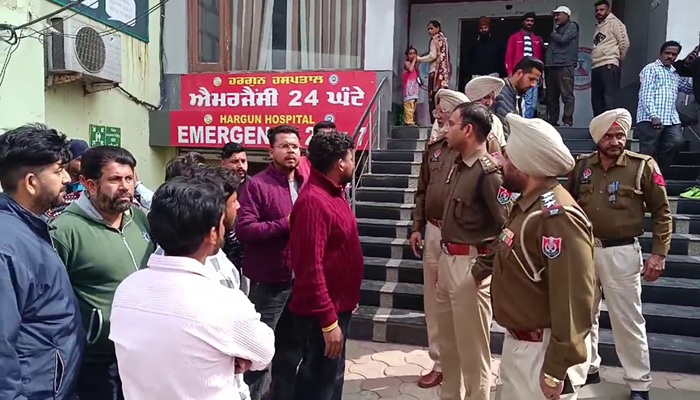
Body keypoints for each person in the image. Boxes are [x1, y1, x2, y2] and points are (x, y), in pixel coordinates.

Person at [110, 177, 275, 400]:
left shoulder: (127, 288)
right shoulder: (224, 302)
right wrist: (230, 356)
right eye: (222, 222)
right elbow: (263, 352)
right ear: (213, 233)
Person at [472, 114, 595, 400]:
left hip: (542, 352)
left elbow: (573, 297)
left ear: (524, 164)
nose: (501, 164)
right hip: (522, 345)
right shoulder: (529, 206)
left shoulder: (557, 217)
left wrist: (556, 368)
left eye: (507, 158)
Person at [569, 109, 671, 400]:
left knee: (628, 320)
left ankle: (639, 383)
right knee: (582, 315)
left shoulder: (642, 166)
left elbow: (662, 212)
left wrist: (659, 254)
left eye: (620, 135)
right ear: (597, 138)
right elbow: (569, 203)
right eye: (609, 136)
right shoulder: (582, 166)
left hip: (622, 252)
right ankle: (587, 369)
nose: (615, 141)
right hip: (585, 251)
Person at [51, 146, 155, 400]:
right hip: (96, 361)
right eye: (115, 179)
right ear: (90, 184)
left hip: (142, 354)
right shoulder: (64, 231)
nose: (125, 187)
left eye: (129, 178)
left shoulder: (138, 219)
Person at [0, 124, 84, 399]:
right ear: (31, 182)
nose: (67, 179)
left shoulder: (31, 227)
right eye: (58, 171)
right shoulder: (7, 245)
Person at [438, 102, 511, 400]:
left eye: (451, 124)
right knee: (448, 346)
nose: (445, 129)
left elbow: (509, 229)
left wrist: (482, 269)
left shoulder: (488, 173)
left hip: (470, 266)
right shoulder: (458, 165)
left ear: (468, 130)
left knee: (473, 350)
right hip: (447, 261)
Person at [288, 131, 363, 400]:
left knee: (332, 379)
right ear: (340, 164)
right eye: (351, 158)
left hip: (337, 306)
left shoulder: (334, 192)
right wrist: (328, 322)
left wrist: (348, 298)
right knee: (318, 385)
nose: (354, 163)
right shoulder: (314, 202)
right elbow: (310, 268)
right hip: (319, 315)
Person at [238, 125, 306, 400]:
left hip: (301, 281)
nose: (291, 151)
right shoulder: (257, 185)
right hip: (270, 281)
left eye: (295, 146)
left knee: (291, 350)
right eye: (284, 146)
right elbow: (245, 230)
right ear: (271, 151)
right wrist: (284, 224)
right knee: (260, 351)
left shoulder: (306, 182)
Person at [636, 41, 694, 173]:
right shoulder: (651, 69)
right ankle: (644, 178)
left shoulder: (674, 73)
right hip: (650, 118)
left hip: (671, 118)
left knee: (676, 142)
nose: (670, 56)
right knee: (648, 151)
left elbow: (688, 88)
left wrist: (693, 70)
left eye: (674, 54)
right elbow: (645, 93)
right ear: (660, 53)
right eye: (667, 53)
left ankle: (658, 174)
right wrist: (653, 115)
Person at [591, 0, 630, 116]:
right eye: (597, 10)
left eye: (601, 10)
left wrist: (616, 59)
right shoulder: (599, 26)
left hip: (609, 63)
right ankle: (600, 125)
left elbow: (625, 43)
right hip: (596, 65)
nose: (598, 12)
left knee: (609, 98)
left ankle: (610, 125)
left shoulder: (615, 23)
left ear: (608, 10)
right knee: (596, 100)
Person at [220, 143, 249, 293]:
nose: (240, 166)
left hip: (246, 256)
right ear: (223, 163)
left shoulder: (255, 187)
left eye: (243, 161)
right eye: (235, 161)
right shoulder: (217, 186)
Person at [505, 12, 545, 118]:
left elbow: (541, 58)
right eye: (527, 21)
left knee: (531, 102)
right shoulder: (514, 38)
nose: (529, 23)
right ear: (523, 22)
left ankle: (527, 121)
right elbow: (509, 56)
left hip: (533, 74)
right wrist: (510, 73)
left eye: (532, 21)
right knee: (516, 99)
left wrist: (540, 75)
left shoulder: (538, 39)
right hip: (518, 74)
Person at [545, 5, 580, 126]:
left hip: (565, 65)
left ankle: (567, 121)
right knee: (551, 97)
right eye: (555, 15)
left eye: (558, 14)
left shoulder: (572, 26)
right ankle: (553, 121)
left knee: (567, 96)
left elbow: (563, 39)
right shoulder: (558, 29)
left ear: (567, 15)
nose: (556, 17)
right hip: (552, 66)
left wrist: (552, 34)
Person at [675, 45, 700, 199]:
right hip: (696, 106)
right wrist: (686, 61)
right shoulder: (697, 63)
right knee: (671, 115)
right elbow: (676, 70)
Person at [494, 56, 545, 126]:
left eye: (536, 81)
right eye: (531, 79)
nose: (533, 84)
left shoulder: (519, 93)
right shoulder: (499, 93)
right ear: (519, 73)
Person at [417, 20, 451, 121]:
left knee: (433, 96)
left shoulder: (435, 39)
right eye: (428, 29)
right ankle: (442, 118)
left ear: (438, 28)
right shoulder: (444, 39)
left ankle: (435, 120)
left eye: (431, 28)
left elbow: (433, 56)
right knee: (442, 96)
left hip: (435, 72)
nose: (429, 31)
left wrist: (419, 59)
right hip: (443, 73)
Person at [46, 139, 89, 219]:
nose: (85, 164)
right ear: (69, 160)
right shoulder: (56, 183)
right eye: (80, 160)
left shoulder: (86, 184)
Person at [465, 75, 507, 147]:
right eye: (486, 97)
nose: (489, 103)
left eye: (492, 98)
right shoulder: (461, 117)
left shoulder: (495, 121)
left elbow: (501, 147)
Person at [466, 17, 505, 81]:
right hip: (477, 75)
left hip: (493, 74)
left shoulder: (496, 42)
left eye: (485, 28)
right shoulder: (473, 43)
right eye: (481, 28)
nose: (483, 30)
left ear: (489, 28)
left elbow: (500, 58)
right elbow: (469, 59)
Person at [404, 46, 420, 126]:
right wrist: (414, 60)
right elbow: (410, 69)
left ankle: (411, 120)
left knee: (413, 104)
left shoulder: (415, 65)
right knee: (409, 103)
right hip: (409, 86)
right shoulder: (407, 63)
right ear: (407, 56)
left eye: (414, 53)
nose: (413, 55)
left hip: (415, 86)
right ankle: (409, 122)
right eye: (410, 54)